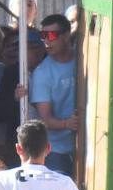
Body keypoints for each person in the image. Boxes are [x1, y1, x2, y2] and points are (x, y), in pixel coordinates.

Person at [25, 14, 78, 177]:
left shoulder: (85, 59)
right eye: (43, 36)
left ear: (67, 35)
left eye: (51, 35)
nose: (46, 41)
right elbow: (45, 119)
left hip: (86, 146)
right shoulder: (42, 73)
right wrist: (67, 124)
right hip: (56, 151)